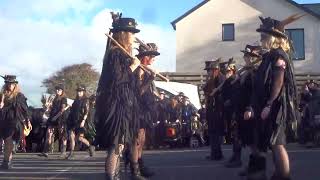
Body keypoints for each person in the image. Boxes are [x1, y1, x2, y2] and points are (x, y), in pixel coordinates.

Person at [244, 15, 302, 180]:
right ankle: (276, 174)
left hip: (277, 106)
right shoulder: (268, 57)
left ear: (273, 38)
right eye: (261, 36)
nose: (261, 39)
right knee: (273, 142)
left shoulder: (278, 56)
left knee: (277, 143)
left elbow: (278, 82)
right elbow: (260, 84)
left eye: (264, 36)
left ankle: (283, 176)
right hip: (267, 105)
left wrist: (269, 105)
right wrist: (253, 106)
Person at [94, 12, 142, 180]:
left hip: (124, 104)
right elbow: (118, 79)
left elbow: (131, 83)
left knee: (120, 144)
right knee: (116, 144)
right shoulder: (115, 54)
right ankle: (111, 177)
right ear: (123, 34)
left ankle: (115, 175)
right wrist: (133, 67)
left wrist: (141, 72)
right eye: (132, 33)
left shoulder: (124, 54)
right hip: (116, 106)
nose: (134, 37)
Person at [129, 42, 160, 178]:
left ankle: (140, 166)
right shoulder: (138, 70)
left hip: (145, 110)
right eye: (152, 56)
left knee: (142, 140)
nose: (154, 58)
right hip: (136, 109)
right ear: (146, 57)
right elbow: (138, 92)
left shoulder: (146, 70)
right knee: (136, 141)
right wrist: (150, 79)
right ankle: (134, 171)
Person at [0, 75, 30, 169]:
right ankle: (8, 161)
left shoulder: (19, 96)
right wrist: (1, 104)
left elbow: (25, 109)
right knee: (7, 141)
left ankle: (6, 161)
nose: (9, 85)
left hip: (14, 121)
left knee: (8, 140)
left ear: (15, 85)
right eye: (8, 83)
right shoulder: (2, 95)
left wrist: (28, 121)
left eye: (12, 84)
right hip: (3, 121)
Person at [203, 58, 225, 160]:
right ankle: (214, 153)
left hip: (217, 109)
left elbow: (222, 94)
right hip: (211, 108)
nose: (208, 72)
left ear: (215, 69)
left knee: (215, 132)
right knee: (212, 132)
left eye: (210, 70)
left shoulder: (220, 78)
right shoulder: (211, 79)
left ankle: (217, 154)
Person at [66, 85, 95, 159]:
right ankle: (71, 153)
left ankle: (90, 146)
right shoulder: (75, 101)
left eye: (80, 91)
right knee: (71, 136)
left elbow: (86, 112)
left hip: (81, 121)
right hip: (73, 121)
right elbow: (72, 111)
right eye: (78, 91)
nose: (79, 93)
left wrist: (83, 121)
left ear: (83, 92)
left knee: (79, 138)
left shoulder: (86, 100)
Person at [40, 84, 69, 158]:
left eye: (59, 90)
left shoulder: (64, 99)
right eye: (56, 89)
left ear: (62, 91)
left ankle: (63, 152)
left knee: (62, 135)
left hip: (61, 119)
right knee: (48, 134)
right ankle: (45, 151)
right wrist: (48, 107)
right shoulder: (54, 98)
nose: (57, 91)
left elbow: (62, 110)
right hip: (52, 119)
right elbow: (51, 109)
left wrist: (56, 117)